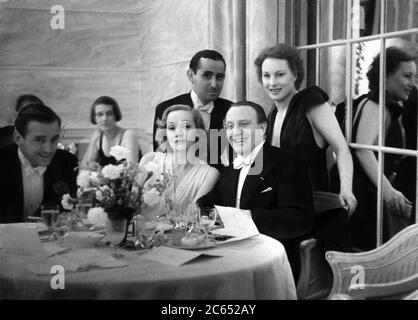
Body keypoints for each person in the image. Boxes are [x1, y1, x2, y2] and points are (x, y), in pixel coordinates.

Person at [198, 101, 314, 279]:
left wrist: (241, 218)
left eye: (243, 124)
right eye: (230, 126)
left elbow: (298, 219)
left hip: (271, 256)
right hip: (230, 252)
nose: (235, 132)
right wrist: (200, 212)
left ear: (263, 127)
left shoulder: (287, 161)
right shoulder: (230, 168)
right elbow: (208, 203)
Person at [254, 44, 357, 216]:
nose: (272, 83)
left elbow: (341, 148)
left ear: (295, 74)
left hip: (312, 206)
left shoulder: (311, 102)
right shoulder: (273, 112)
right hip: (281, 206)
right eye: (266, 76)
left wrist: (346, 189)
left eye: (280, 75)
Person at [351, 47, 417, 250]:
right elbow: (363, 149)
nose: (412, 84)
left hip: (370, 196)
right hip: (365, 200)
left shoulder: (385, 105)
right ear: (386, 76)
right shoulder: (376, 105)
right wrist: (389, 192)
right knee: (365, 262)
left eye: (414, 77)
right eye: (407, 76)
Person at [0, 104, 78, 223]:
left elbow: (70, 210)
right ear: (17, 138)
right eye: (39, 140)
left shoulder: (67, 162)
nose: (48, 149)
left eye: (54, 139)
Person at [152, 49, 233, 166]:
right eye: (207, 75)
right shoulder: (166, 108)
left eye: (219, 77)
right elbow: (161, 156)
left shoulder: (231, 110)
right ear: (190, 76)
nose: (214, 84)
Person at [141, 104, 219, 218]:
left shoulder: (209, 173)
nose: (178, 133)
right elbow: (130, 203)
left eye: (187, 126)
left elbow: (191, 215)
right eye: (172, 128)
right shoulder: (150, 159)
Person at [82, 96, 142, 166]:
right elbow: (85, 167)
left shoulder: (129, 135)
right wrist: (93, 143)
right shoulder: (98, 137)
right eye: (100, 114)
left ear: (116, 115)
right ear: (94, 118)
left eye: (109, 113)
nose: (105, 119)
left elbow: (132, 169)